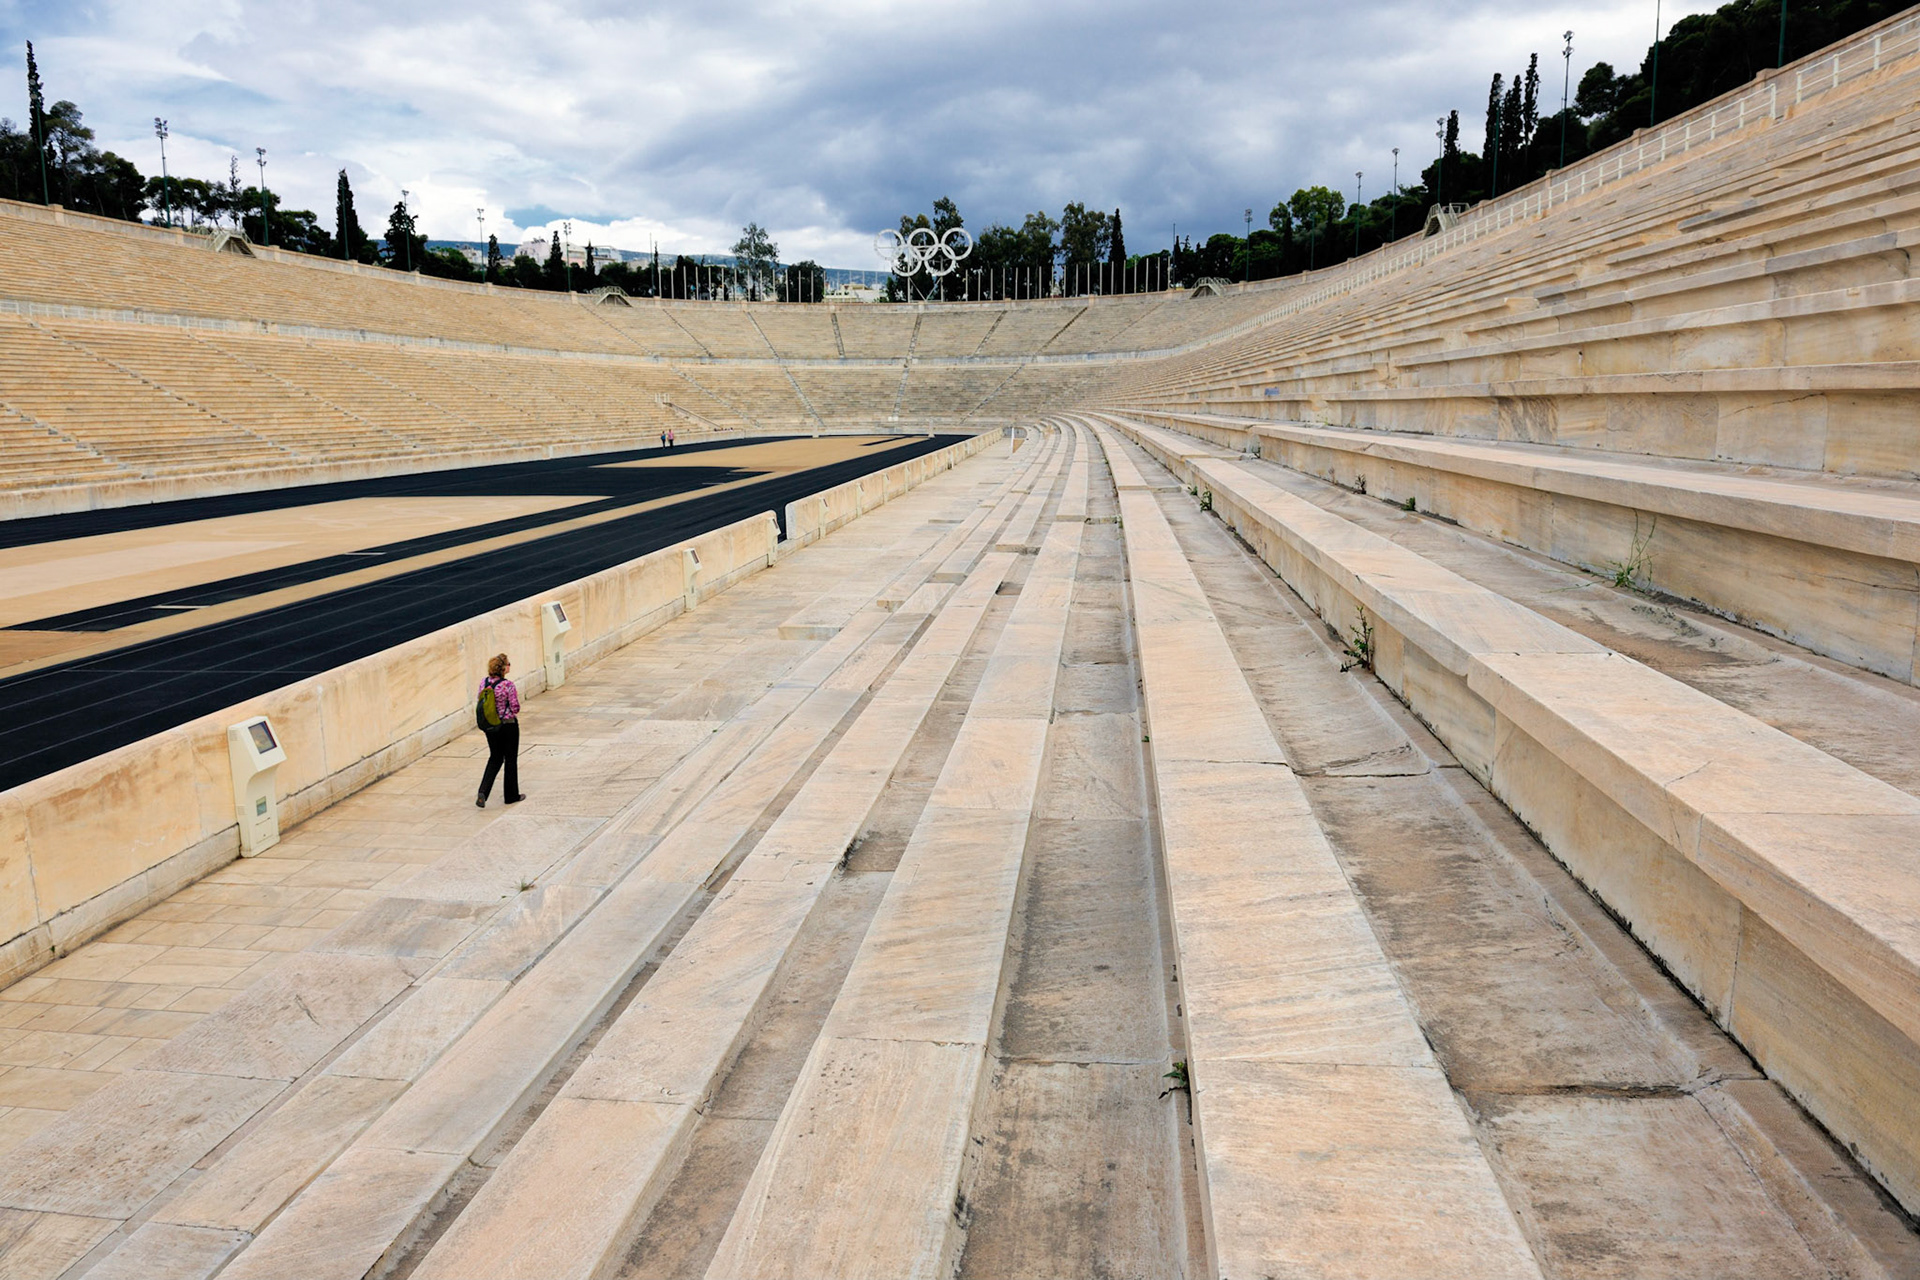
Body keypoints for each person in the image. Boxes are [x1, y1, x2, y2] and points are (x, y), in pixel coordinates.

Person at [476, 652, 526, 807]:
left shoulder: (484, 683)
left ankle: (483, 792)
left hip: (491, 726)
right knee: (510, 759)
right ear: (503, 668)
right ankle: (511, 795)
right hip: (508, 726)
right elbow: (515, 707)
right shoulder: (508, 685)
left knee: (495, 758)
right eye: (508, 664)